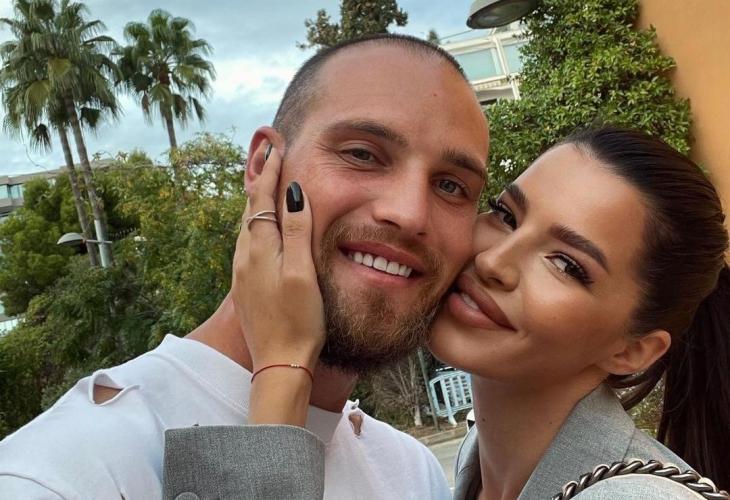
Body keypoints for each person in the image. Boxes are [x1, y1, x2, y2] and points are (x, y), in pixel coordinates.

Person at [0, 34, 489, 499]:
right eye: (362, 154)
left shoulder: (412, 471)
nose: (410, 213)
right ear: (262, 166)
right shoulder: (57, 478)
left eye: (451, 186)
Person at [230, 127, 730, 499]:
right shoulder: (480, 465)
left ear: (633, 350)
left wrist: (282, 370)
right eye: (507, 215)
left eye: (566, 264)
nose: (493, 261)